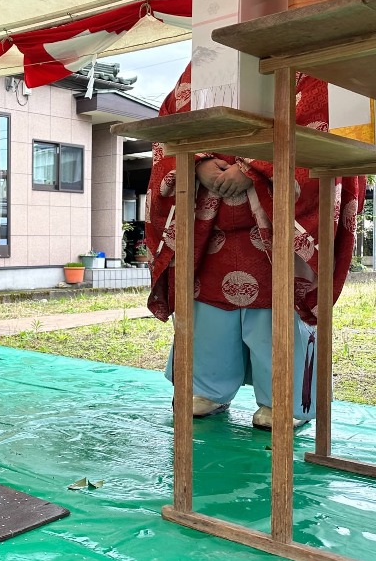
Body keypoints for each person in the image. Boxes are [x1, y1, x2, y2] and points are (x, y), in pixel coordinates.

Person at [147, 63, 364, 431]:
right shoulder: (210, 55)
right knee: (206, 309)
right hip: (206, 221)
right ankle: (206, 387)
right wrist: (197, 162)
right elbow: (174, 116)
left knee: (277, 310)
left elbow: (320, 118)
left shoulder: (309, 55)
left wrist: (256, 166)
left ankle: (285, 398)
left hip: (277, 219)